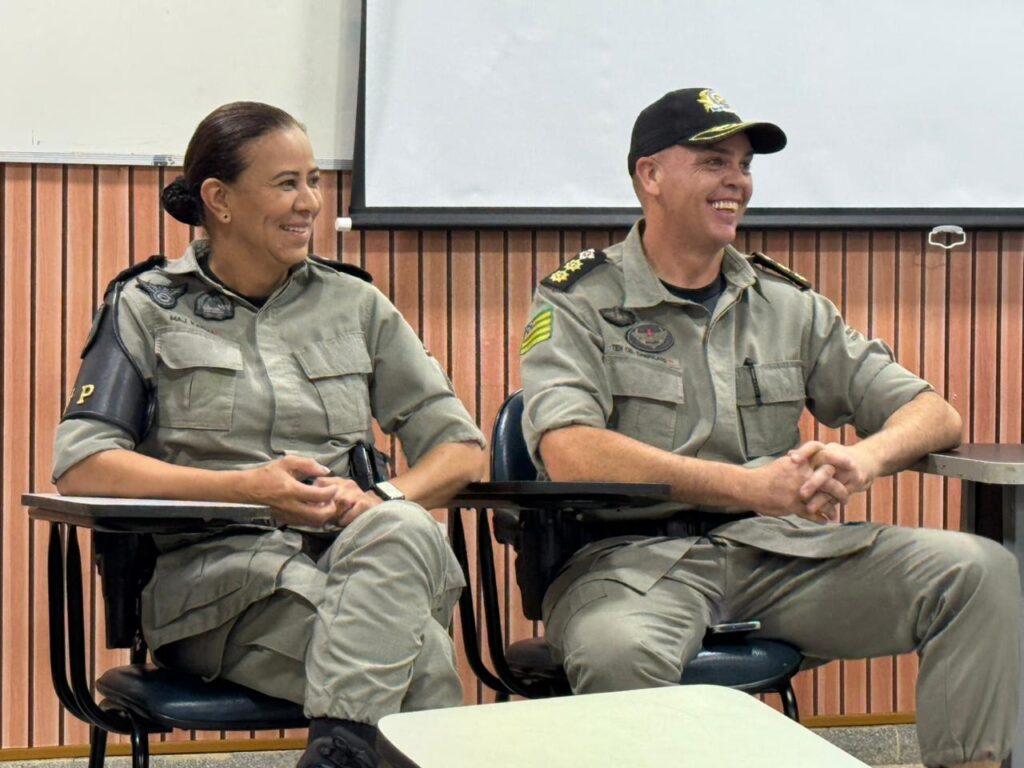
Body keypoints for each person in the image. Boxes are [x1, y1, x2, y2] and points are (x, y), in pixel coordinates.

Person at [518, 87, 1019, 768]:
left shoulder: (786, 303)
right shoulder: (580, 299)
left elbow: (935, 414)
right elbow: (570, 450)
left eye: (745, 165)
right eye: (714, 161)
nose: (737, 182)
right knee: (618, 653)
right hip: (629, 564)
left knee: (979, 572)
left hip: (778, 557)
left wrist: (863, 461)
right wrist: (750, 484)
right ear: (650, 176)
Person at [52, 102, 486, 768]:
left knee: (403, 525)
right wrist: (246, 490)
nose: (310, 201)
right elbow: (82, 465)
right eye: (287, 183)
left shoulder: (356, 304)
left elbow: (460, 448)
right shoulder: (146, 306)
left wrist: (387, 495)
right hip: (215, 587)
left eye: (314, 180)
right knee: (423, 666)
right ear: (219, 199)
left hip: (354, 562)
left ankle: (337, 749)